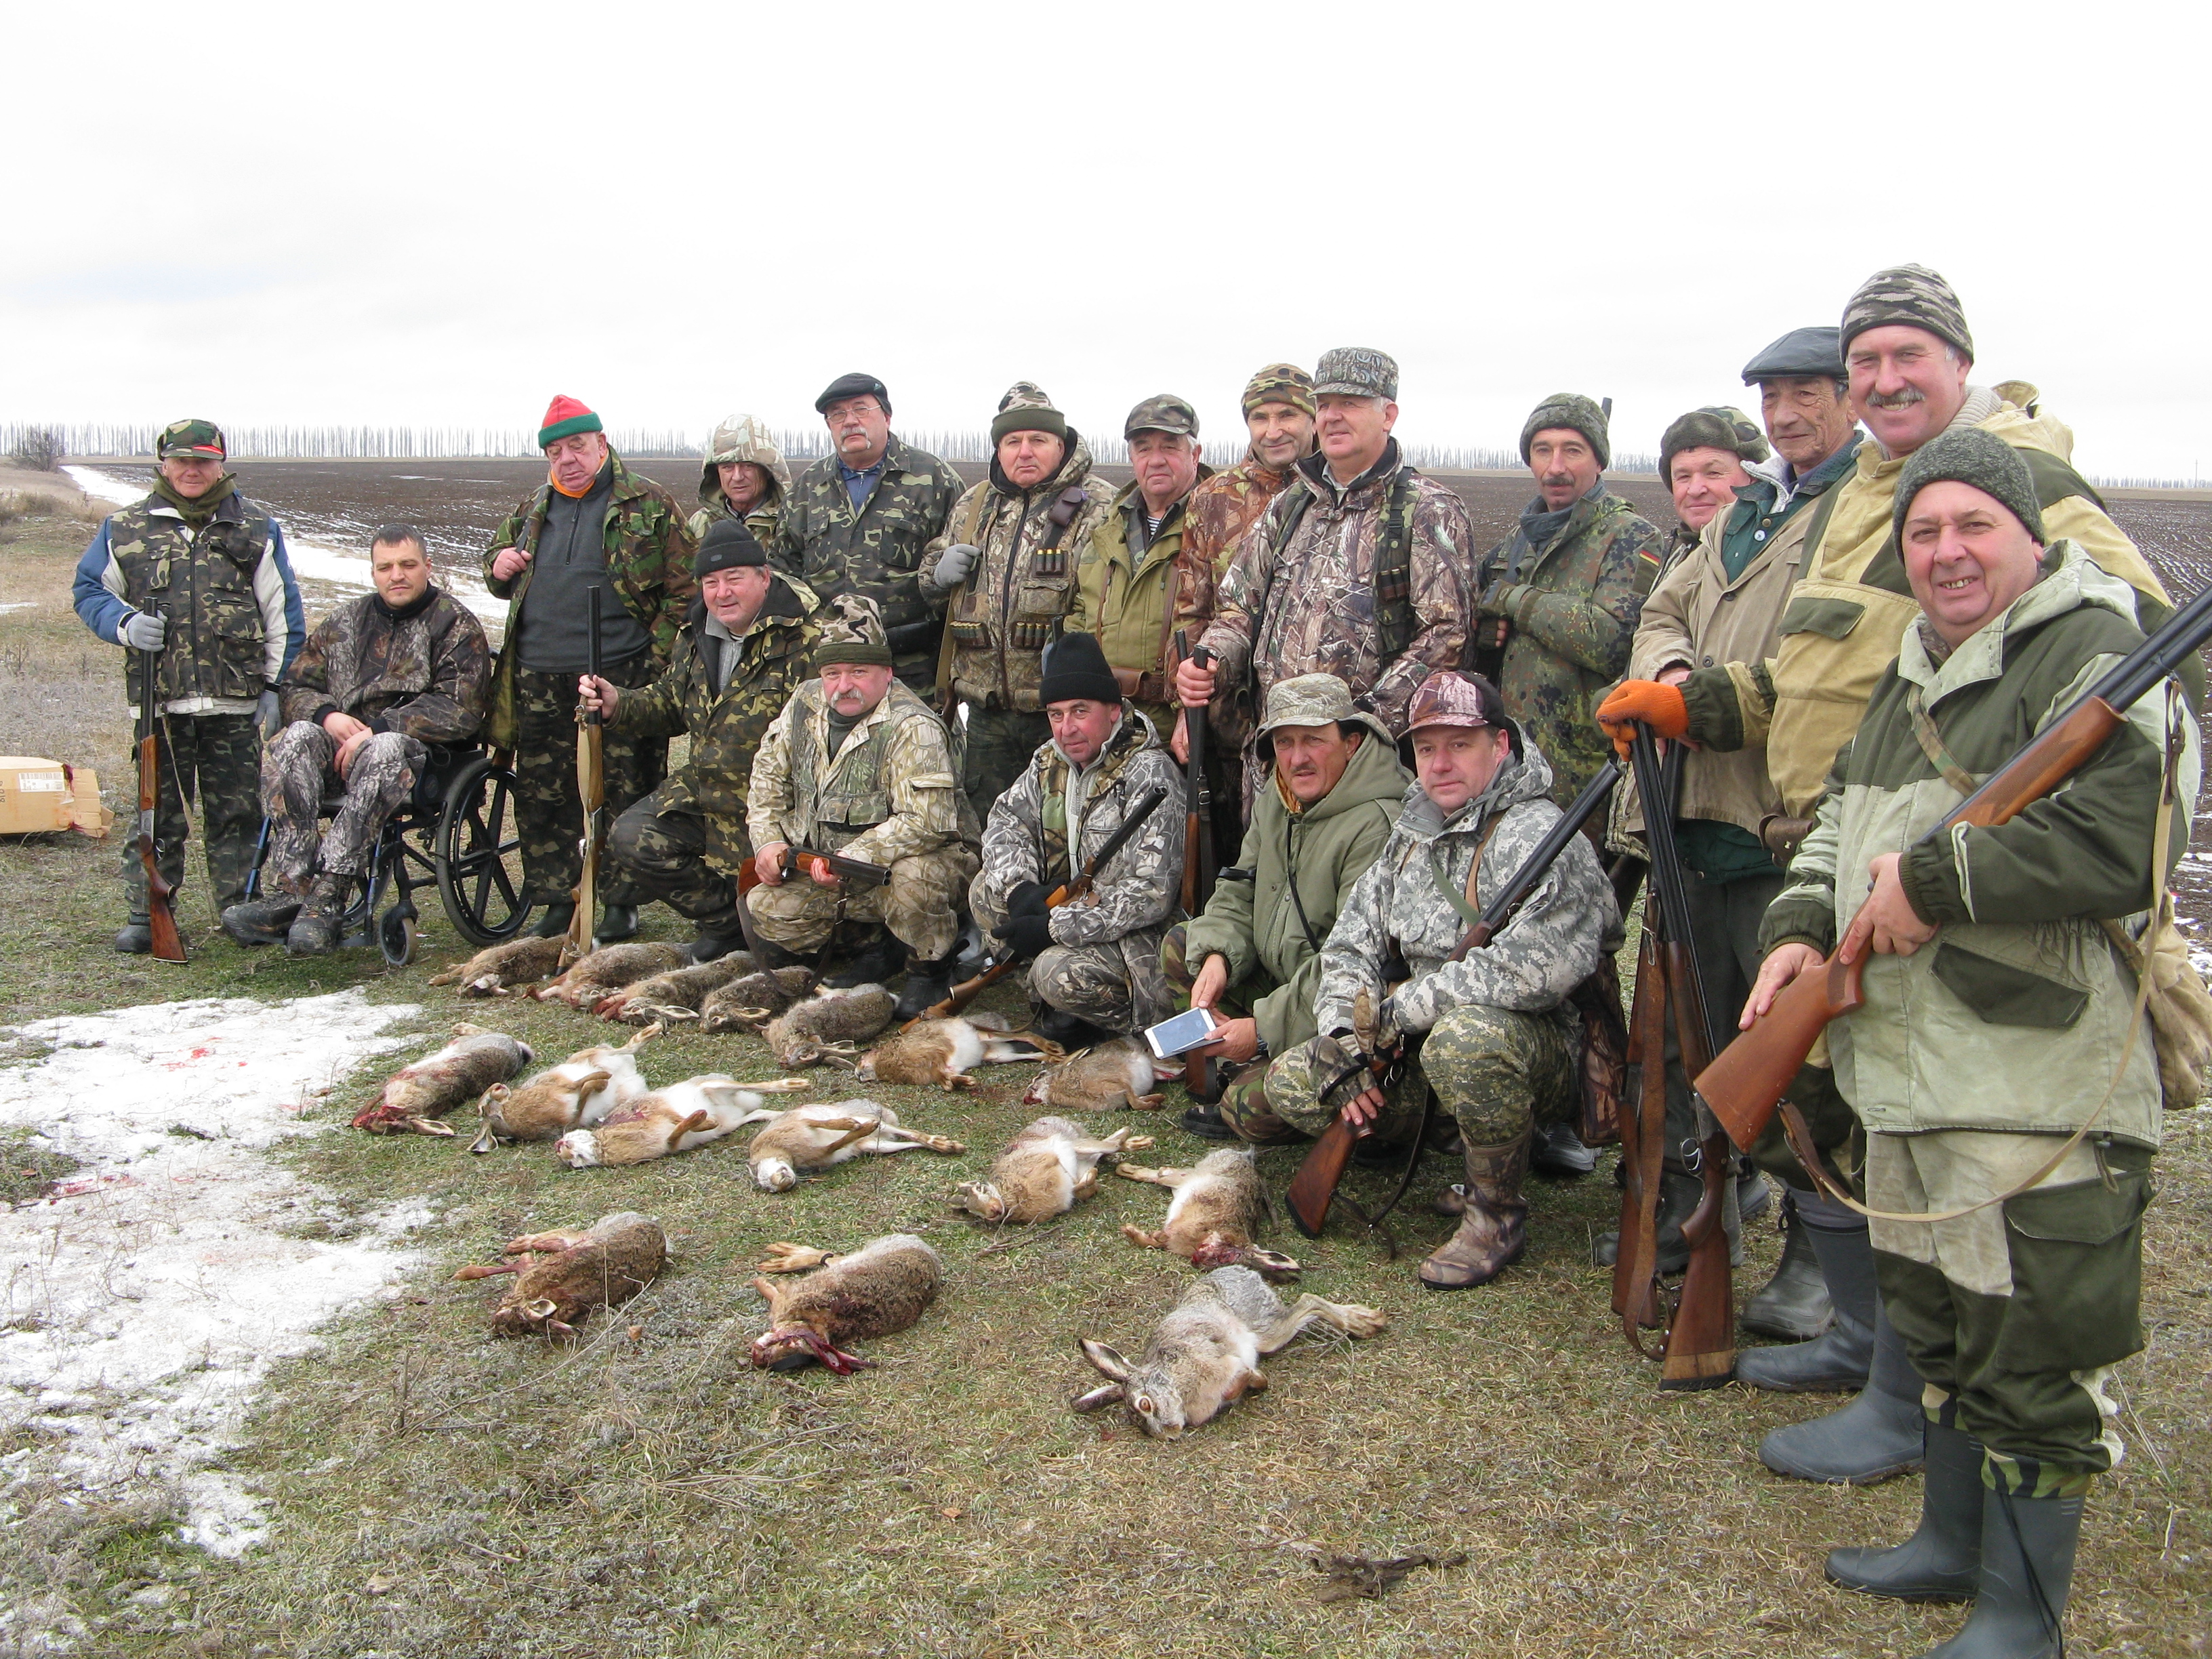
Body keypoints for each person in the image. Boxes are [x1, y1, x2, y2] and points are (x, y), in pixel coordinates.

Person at [1608, 268, 2192, 1488]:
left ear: (1958, 363)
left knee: (1920, 1142)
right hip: (1820, 842)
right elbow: (1810, 676)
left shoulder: (2019, 472)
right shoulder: (1863, 495)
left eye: (1905, 357)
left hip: (1945, 867)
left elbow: (2125, 660)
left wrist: (1951, 833)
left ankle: (1909, 1391)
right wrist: (1690, 702)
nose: (1880, 382)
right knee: (1836, 1115)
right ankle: (1876, 1356)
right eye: (1863, 360)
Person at [1742, 429, 2196, 1658]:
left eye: (1973, 526)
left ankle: (2019, 1618)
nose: (1945, 551)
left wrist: (1935, 880)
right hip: (1904, 1067)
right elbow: (1837, 823)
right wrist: (1797, 929)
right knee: (1939, 1325)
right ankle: (1947, 1545)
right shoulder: (1908, 670)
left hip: (2029, 1077)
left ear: (2029, 538)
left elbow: (2123, 840)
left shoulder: (2098, 650)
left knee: (2032, 1354)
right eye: (1923, 531)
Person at [1604, 331, 1875, 1392]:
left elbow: (1826, 665)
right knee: (1693, 1042)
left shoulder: (1864, 508)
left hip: (1783, 821)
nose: (1786, 413)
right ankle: (1700, 1213)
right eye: (1771, 396)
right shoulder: (1748, 511)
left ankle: (1819, 1259)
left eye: (1807, 392)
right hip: (1692, 817)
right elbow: (1665, 609)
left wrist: (1702, 703)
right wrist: (1671, 672)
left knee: (1796, 1060)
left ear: (1850, 395)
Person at [1267, 670, 1620, 1289]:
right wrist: (1345, 1035)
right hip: (1418, 1046)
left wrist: (1403, 1012)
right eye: (1427, 748)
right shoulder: (1411, 833)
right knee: (1296, 1081)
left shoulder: (1542, 834)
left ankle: (1495, 1215)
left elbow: (1531, 971)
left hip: (1543, 1050)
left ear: (1500, 745)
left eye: (1460, 744)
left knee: (1466, 1040)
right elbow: (1349, 943)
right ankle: (1446, 1140)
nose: (1441, 763)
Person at [1180, 347, 1475, 805]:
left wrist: (1359, 728)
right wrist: (1212, 661)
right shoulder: (1290, 507)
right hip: (1275, 765)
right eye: (1325, 404)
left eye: (1350, 404)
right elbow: (1238, 609)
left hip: (1364, 776)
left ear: (1388, 415)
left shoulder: (1428, 510)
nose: (1333, 416)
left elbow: (1446, 637)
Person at [73, 417, 304, 951]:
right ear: (164, 464)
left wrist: (275, 688)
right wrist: (125, 623)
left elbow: (283, 614)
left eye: (203, 460)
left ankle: (241, 911)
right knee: (156, 815)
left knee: (239, 814)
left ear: (220, 464)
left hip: (235, 703)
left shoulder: (257, 529)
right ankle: (147, 912)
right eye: (182, 460)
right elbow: (89, 590)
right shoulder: (124, 527)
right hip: (160, 703)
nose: (192, 470)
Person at [481, 395, 696, 943]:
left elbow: (687, 590)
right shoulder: (533, 508)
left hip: (619, 673)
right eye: (555, 451)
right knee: (543, 793)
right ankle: (558, 899)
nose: (568, 459)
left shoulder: (649, 503)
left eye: (577, 446)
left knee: (626, 786)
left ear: (602, 443)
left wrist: (652, 661)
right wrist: (497, 567)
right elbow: (496, 563)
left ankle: (623, 901)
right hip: (539, 673)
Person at [1160, 673, 1410, 1141]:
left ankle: (1270, 1069)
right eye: (1285, 742)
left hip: (1340, 1008)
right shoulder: (1278, 799)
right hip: (1281, 979)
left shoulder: (1377, 825)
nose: (1297, 758)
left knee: (1247, 1109)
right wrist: (1219, 955)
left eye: (1314, 740)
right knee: (1184, 946)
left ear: (1351, 743)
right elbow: (1240, 886)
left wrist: (1261, 1028)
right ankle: (1250, 1059)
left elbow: (1354, 967)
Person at [217, 525, 489, 954]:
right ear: (374, 572)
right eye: (385, 567)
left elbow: (460, 708)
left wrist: (376, 730)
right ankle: (291, 890)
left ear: (427, 567)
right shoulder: (345, 621)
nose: (396, 575)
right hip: (340, 752)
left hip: (419, 759)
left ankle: (329, 894)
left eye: (407, 565)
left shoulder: (455, 625)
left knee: (384, 749)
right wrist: (328, 717)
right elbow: (296, 686)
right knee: (295, 738)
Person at [577, 519, 819, 963]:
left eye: (734, 579)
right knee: (633, 836)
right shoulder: (696, 633)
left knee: (791, 938)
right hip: (709, 787)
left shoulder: (808, 636)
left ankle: (784, 926)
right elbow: (671, 703)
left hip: (782, 802)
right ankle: (725, 924)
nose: (722, 593)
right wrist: (617, 703)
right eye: (711, 583)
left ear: (764, 578)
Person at [744, 596, 979, 1019]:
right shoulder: (803, 704)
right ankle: (879, 946)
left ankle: (929, 965)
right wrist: (767, 842)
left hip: (913, 864)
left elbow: (925, 822)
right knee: (765, 906)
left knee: (914, 880)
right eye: (832, 673)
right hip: (834, 869)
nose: (843, 685)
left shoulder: (913, 726)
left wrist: (852, 857)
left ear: (887, 674)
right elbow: (767, 780)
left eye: (858, 672)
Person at [970, 632, 1185, 1044]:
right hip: (1072, 907)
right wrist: (1020, 890)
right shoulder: (1049, 760)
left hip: (1136, 937)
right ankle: (1050, 1002)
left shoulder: (1150, 775)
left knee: (1055, 972)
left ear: (1114, 710)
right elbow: (1005, 821)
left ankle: (1129, 1024)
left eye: (1080, 711)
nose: (1066, 729)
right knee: (986, 889)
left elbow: (1151, 895)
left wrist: (1055, 927)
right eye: (1056, 714)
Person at [924, 382, 1116, 821]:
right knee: (989, 827)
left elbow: (1108, 601)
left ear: (1061, 444)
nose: (1024, 452)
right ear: (999, 449)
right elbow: (932, 583)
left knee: (1065, 825)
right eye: (1013, 441)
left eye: (1038, 440)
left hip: (1062, 713)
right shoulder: (975, 505)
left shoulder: (1099, 504)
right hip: (985, 713)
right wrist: (937, 574)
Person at [1470, 392, 1664, 812]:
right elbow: (1478, 612)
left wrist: (1515, 600)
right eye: (1543, 450)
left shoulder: (1632, 537)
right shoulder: (1518, 541)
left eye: (1572, 450)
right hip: (1512, 764)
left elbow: (1613, 641)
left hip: (1586, 774)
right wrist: (1485, 636)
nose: (1555, 467)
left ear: (1599, 462)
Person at [1168, 361, 1317, 851]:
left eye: (1286, 415)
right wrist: (1185, 708)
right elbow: (1191, 611)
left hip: (1308, 728)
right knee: (1230, 855)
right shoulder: (1213, 498)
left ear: (1313, 418)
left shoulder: (1334, 495)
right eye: (1260, 418)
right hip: (1228, 727)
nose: (1273, 431)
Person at [776, 373, 968, 693]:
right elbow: (783, 569)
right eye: (837, 414)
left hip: (912, 667)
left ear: (887, 417)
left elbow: (960, 578)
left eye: (861, 409)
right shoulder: (807, 488)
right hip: (829, 669)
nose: (850, 421)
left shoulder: (934, 480)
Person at [1067, 394, 1212, 737]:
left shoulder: (1217, 526)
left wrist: (1190, 714)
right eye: (1144, 449)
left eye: (1170, 447)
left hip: (1179, 728)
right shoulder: (1107, 529)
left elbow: (1229, 628)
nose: (1156, 460)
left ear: (1195, 455)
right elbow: (1080, 613)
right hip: (1106, 727)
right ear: (1132, 457)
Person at [1657, 405, 1767, 564]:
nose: (1695, 490)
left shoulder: (1768, 557)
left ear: (1754, 477)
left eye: (1713, 473)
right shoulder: (1680, 555)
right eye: (1684, 476)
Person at [687, 413, 792, 567]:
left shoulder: (791, 522)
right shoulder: (699, 525)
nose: (737, 477)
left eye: (748, 466)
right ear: (716, 473)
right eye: (727, 467)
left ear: (768, 470)